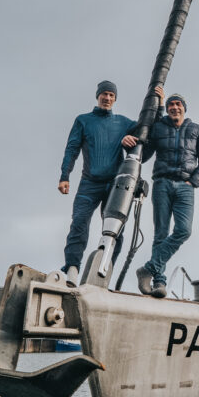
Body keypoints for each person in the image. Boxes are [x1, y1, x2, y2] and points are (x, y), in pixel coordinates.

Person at [134, 93, 199, 298]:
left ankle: (148, 270)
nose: (174, 108)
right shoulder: (159, 127)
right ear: (167, 108)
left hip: (185, 185)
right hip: (162, 183)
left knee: (184, 230)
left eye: (178, 104)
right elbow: (146, 154)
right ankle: (159, 282)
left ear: (184, 108)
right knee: (160, 233)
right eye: (171, 105)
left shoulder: (197, 130)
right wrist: (156, 109)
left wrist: (194, 181)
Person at [59, 80, 135, 284]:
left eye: (111, 95)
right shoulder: (83, 120)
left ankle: (104, 273)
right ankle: (72, 271)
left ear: (115, 98)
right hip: (89, 183)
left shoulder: (124, 123)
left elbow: (148, 134)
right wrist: (65, 176)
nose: (107, 98)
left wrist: (130, 140)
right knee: (79, 224)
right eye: (104, 94)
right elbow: (72, 149)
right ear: (98, 96)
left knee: (115, 230)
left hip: (114, 185)